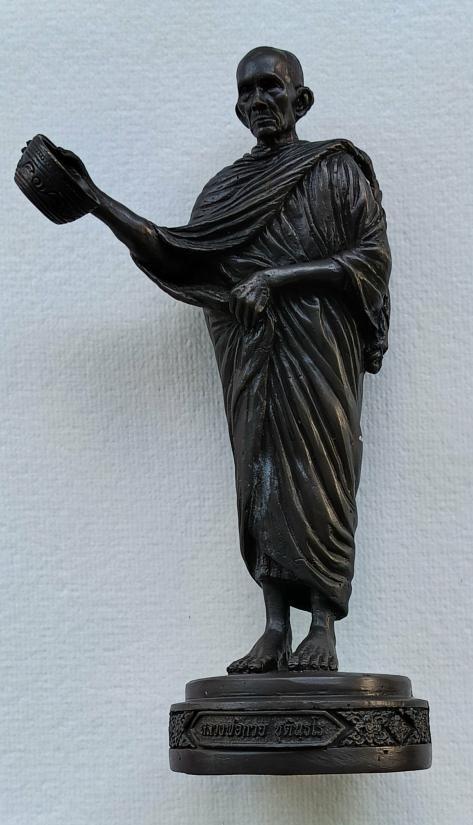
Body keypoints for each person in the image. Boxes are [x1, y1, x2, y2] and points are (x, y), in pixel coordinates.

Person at [67, 46, 391, 673]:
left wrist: (278, 278)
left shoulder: (336, 170)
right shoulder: (223, 192)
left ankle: (322, 624)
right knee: (258, 474)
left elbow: (370, 259)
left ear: (302, 100)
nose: (259, 102)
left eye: (272, 87)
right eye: (247, 93)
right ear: (238, 109)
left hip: (319, 348)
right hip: (250, 351)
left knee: (320, 472)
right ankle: (274, 626)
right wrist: (95, 200)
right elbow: (175, 254)